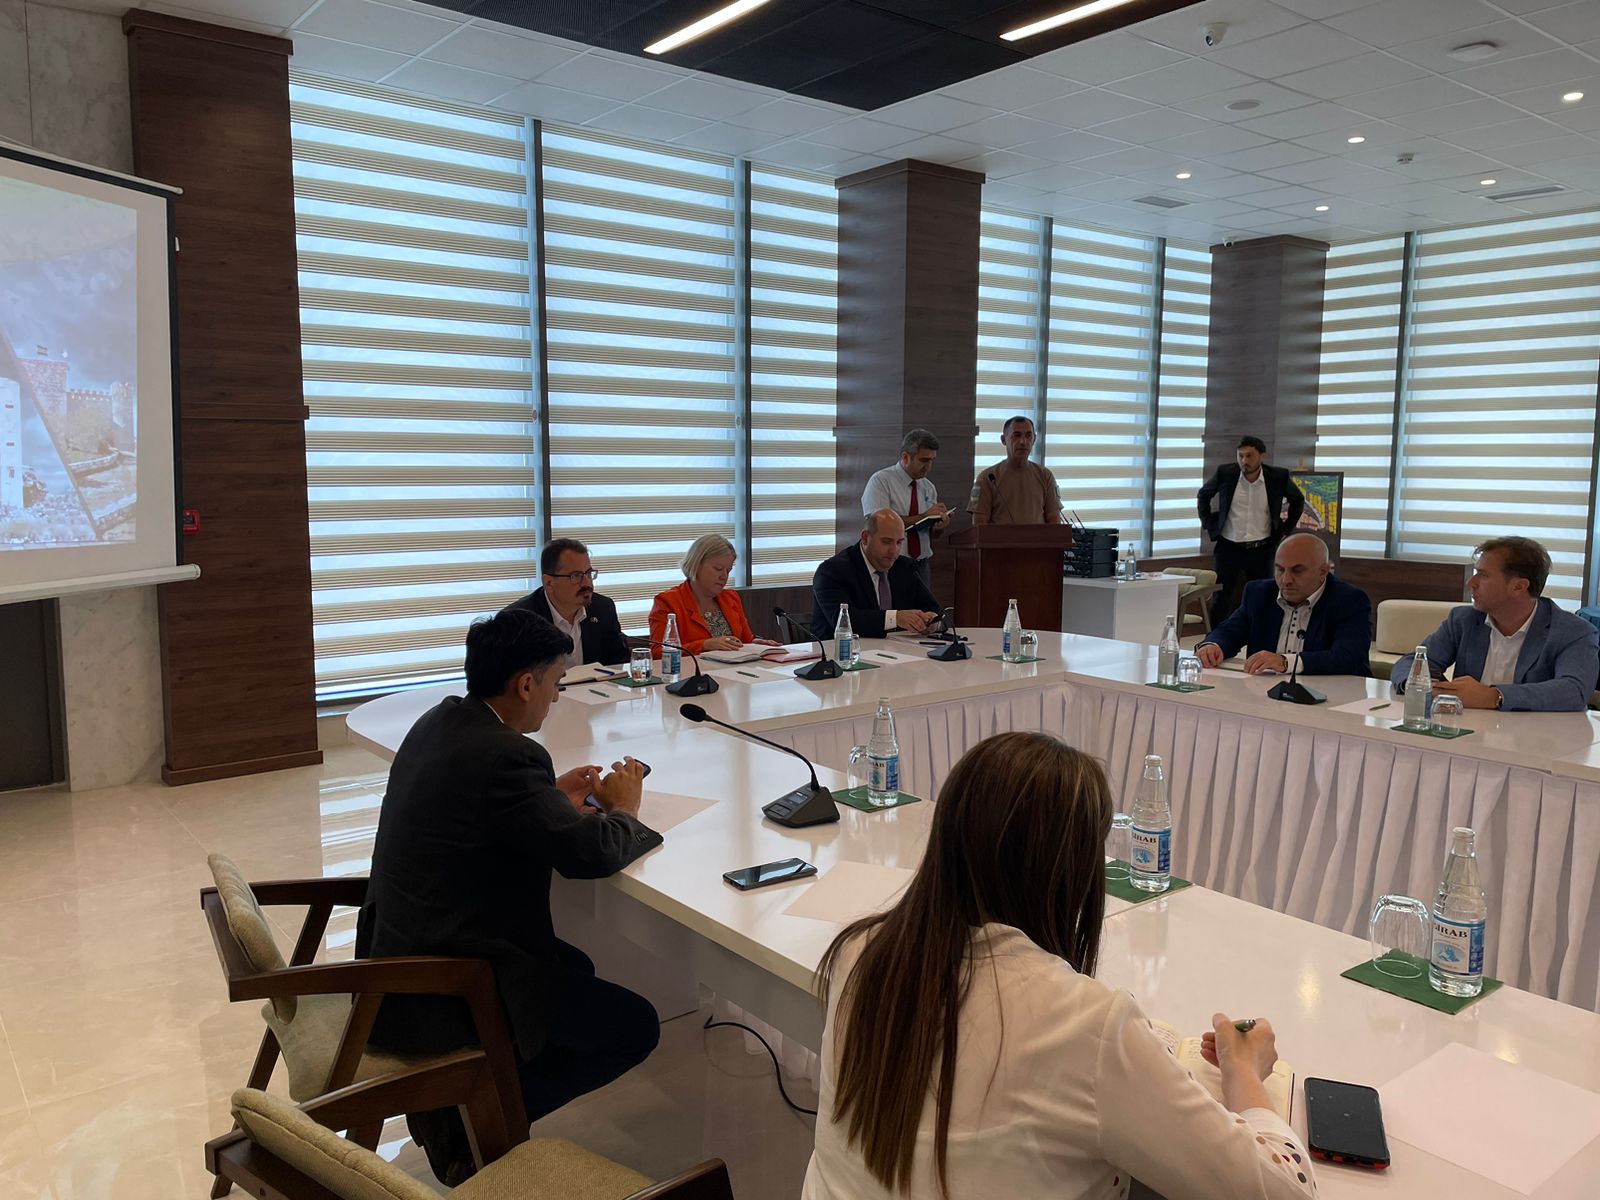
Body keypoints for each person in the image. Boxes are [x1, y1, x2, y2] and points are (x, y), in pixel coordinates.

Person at [803, 731, 1315, 1200]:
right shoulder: (1086, 1023)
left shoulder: (861, 949)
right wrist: (1245, 1072)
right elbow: (1283, 1191)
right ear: (1071, 874)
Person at [356, 609, 662, 1184]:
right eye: (555, 683)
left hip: (397, 949)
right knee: (636, 1027)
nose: (556, 698)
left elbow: (485, 809)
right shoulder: (509, 755)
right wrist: (624, 808)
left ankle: (479, 1089)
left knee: (577, 965)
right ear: (525, 684)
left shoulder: (442, 719)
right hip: (448, 981)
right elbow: (589, 856)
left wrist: (546, 798)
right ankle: (472, 1124)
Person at [1391, 536, 1600, 711]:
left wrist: (1494, 696)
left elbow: (1574, 690)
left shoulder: (1574, 632)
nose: (1471, 583)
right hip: (1468, 732)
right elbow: (1410, 663)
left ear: (1519, 586)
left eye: (1483, 575)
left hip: (1539, 739)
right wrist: (1428, 687)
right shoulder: (1463, 620)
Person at [1196, 533, 1371, 677]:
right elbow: (1229, 631)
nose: (1286, 580)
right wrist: (1213, 646)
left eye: (1297, 571)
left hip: (1334, 694)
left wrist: (1286, 662)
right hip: (1264, 693)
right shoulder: (1260, 593)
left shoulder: (1349, 600)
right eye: (1280, 569)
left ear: (1323, 571)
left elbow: (1348, 657)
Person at [1197, 436, 1306, 625]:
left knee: (1264, 597)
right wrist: (1208, 523)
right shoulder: (1226, 473)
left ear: (1262, 456)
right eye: (1240, 456)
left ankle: (1260, 636)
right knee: (1222, 598)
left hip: (1261, 548)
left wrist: (1285, 529)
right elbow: (1203, 495)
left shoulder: (1277, 477)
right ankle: (1216, 638)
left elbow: (1297, 501)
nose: (1244, 461)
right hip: (1229, 546)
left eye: (1249, 456)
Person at [812, 510, 944, 639]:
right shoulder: (832, 571)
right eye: (887, 542)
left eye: (899, 542)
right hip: (840, 650)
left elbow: (934, 609)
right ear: (865, 538)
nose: (894, 551)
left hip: (897, 649)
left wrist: (932, 622)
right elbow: (843, 620)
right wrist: (895, 618)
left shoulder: (906, 567)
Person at [506, 537, 630, 669]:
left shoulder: (603, 608)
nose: (587, 583)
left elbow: (617, 663)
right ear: (549, 583)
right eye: (576, 576)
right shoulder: (519, 621)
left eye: (588, 573)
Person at [649, 533, 769, 655]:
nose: (724, 576)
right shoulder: (667, 602)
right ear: (697, 564)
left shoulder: (731, 597)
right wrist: (704, 645)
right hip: (693, 667)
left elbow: (745, 641)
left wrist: (757, 644)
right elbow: (657, 653)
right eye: (718, 568)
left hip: (734, 666)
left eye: (728, 571)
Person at [861, 429, 950, 590]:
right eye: (923, 460)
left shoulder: (928, 487)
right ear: (905, 457)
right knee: (892, 605)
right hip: (891, 562)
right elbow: (879, 525)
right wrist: (924, 515)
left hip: (922, 563)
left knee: (923, 606)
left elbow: (931, 534)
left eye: (932, 460)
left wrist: (938, 527)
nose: (928, 467)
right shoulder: (881, 480)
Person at [967, 415, 1063, 525]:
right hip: (1000, 537)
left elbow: (1055, 524)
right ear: (1004, 440)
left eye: (1028, 436)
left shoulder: (1045, 476)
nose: (1023, 442)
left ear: (1034, 439)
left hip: (1038, 537)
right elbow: (979, 527)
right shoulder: (988, 478)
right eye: (1016, 436)